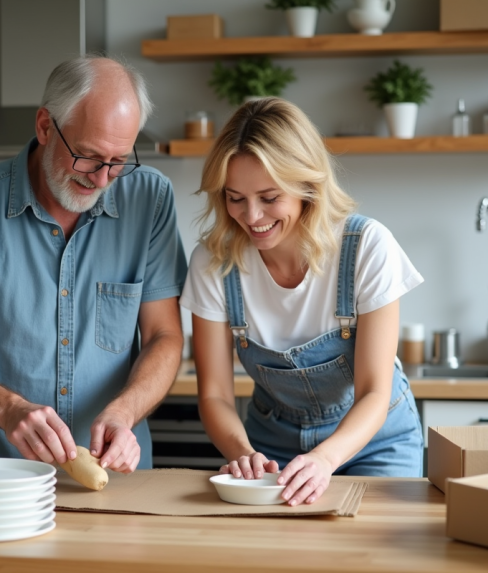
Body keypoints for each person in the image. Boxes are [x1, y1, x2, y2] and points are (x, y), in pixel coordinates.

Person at [0, 55, 188, 473]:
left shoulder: (150, 200)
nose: (103, 179)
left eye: (119, 161)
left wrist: (125, 413)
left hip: (113, 478)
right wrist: (8, 409)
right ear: (44, 126)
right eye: (89, 157)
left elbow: (164, 336)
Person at [180, 97, 424, 506]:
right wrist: (244, 456)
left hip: (376, 441)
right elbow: (216, 396)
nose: (251, 216)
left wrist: (324, 459)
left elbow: (373, 393)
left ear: (307, 186)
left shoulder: (366, 247)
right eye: (235, 197)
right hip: (272, 448)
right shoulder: (214, 263)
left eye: (269, 197)